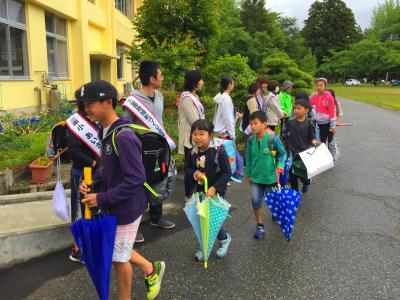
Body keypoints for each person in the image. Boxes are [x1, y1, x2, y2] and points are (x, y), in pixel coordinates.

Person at [78, 80, 165, 300]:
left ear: (108, 102)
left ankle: (137, 284)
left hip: (127, 207)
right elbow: (107, 167)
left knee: (118, 257)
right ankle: (150, 269)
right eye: (84, 104)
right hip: (115, 204)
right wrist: (92, 182)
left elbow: (136, 179)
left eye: (90, 103)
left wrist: (101, 197)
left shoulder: (124, 136)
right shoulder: (105, 130)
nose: (86, 109)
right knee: (117, 251)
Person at [123, 61, 175, 243]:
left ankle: (156, 217)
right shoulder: (132, 101)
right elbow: (126, 126)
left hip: (159, 148)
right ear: (152, 78)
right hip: (140, 150)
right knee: (139, 186)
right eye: (160, 75)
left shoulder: (159, 96)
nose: (162, 77)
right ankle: (133, 226)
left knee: (158, 179)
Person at [184, 119, 232, 259]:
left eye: (201, 134)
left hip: (215, 190)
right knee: (201, 218)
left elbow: (227, 172)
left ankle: (223, 239)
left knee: (210, 218)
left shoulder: (218, 151)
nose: (197, 137)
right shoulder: (193, 151)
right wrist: (195, 173)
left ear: (210, 135)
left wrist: (215, 187)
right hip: (200, 189)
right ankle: (204, 245)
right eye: (194, 134)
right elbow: (188, 169)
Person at [66, 98, 100, 262]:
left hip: (97, 173)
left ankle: (90, 245)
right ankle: (78, 248)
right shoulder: (76, 123)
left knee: (92, 208)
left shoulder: (96, 120)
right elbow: (74, 151)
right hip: (81, 172)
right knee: (79, 209)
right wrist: (95, 162)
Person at [246, 111, 286, 239]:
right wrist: (249, 174)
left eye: (255, 123)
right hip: (256, 179)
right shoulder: (251, 140)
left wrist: (280, 164)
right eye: (250, 124)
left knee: (273, 202)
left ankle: (276, 212)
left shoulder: (272, 139)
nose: (252, 126)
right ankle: (260, 225)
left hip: (271, 178)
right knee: (256, 201)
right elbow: (248, 158)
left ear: (264, 124)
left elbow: (283, 154)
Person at [284, 98, 320, 193]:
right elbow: (285, 134)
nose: (296, 110)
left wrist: (315, 142)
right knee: (292, 174)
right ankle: (295, 194)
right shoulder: (290, 122)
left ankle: (306, 182)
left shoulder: (309, 123)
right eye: (294, 108)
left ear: (306, 110)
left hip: (304, 152)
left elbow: (312, 137)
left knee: (302, 173)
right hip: (292, 152)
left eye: (299, 108)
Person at [178, 70, 205, 158]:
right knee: (192, 169)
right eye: (200, 80)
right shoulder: (187, 98)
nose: (202, 82)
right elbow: (194, 121)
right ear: (194, 82)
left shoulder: (195, 97)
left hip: (197, 138)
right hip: (189, 141)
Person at [213, 76, 242, 140]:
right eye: (233, 84)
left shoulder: (221, 96)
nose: (233, 86)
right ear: (229, 85)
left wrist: (236, 114)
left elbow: (225, 113)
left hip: (221, 131)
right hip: (226, 132)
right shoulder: (226, 99)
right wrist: (232, 135)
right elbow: (228, 118)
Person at [310, 78, 336, 144]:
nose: (319, 87)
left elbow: (331, 112)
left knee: (322, 141)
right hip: (315, 123)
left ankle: (323, 153)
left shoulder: (329, 97)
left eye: (321, 85)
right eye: (317, 85)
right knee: (315, 140)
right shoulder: (313, 96)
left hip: (325, 123)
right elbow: (310, 108)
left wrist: (333, 126)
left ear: (325, 86)